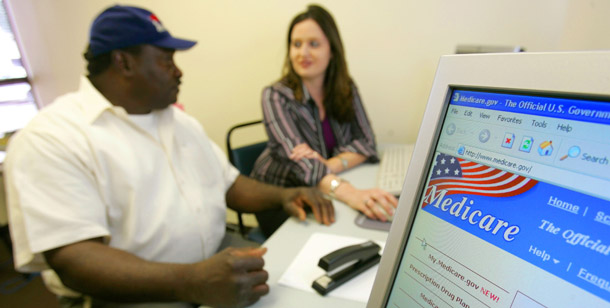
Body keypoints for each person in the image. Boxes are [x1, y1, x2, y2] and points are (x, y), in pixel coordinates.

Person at [4, 5, 334, 308]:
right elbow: (74, 260)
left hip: (213, 268)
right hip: (134, 295)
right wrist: (191, 281)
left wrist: (286, 194)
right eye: (166, 60)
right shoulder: (52, 138)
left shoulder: (179, 122)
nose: (178, 72)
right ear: (124, 62)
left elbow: (229, 185)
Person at [250, 4, 398, 237]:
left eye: (314, 44)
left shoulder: (345, 87)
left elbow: (367, 143)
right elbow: (303, 165)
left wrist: (330, 165)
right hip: (280, 197)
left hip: (323, 185)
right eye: (296, 44)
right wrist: (351, 193)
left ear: (332, 49)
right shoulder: (275, 95)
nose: (303, 53)